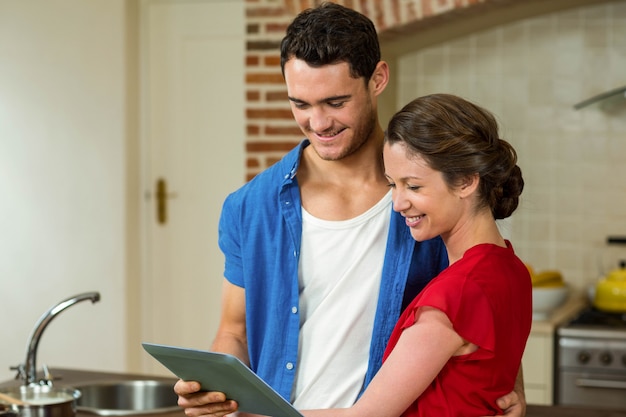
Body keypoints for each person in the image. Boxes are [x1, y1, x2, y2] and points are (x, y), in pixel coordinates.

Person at [175, 3, 527, 417]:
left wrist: (505, 388)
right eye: (301, 104)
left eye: (335, 102)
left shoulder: (428, 201)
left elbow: (479, 303)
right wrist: (215, 391)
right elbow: (234, 330)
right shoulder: (251, 206)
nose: (318, 123)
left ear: (377, 79)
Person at [300, 93, 532, 417]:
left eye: (414, 186)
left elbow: (367, 416)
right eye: (393, 184)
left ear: (466, 181)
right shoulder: (510, 268)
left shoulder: (455, 295)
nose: (397, 203)